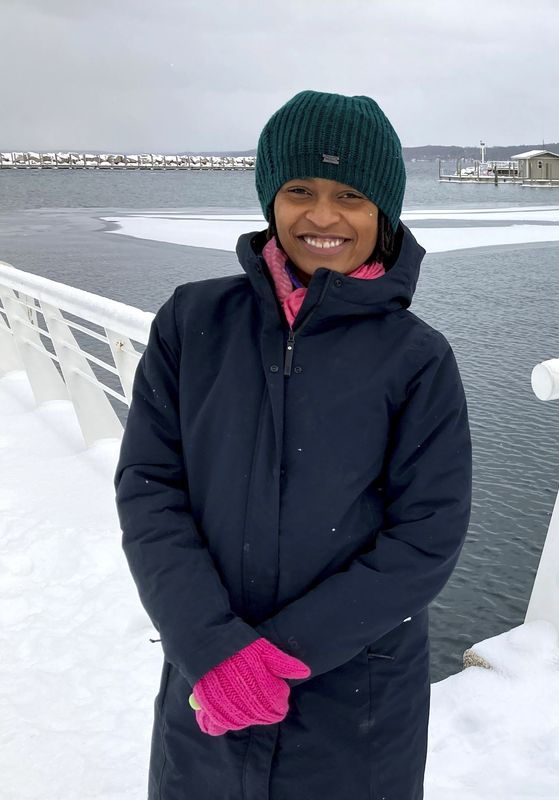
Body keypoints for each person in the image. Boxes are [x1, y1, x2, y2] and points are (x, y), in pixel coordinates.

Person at [116, 90, 472, 800]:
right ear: (270, 199)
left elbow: (426, 539)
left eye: (351, 195)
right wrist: (214, 650)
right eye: (299, 189)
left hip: (354, 698)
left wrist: (274, 659)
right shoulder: (193, 321)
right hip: (206, 684)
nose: (322, 216)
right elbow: (151, 490)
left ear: (384, 213)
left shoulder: (416, 358)